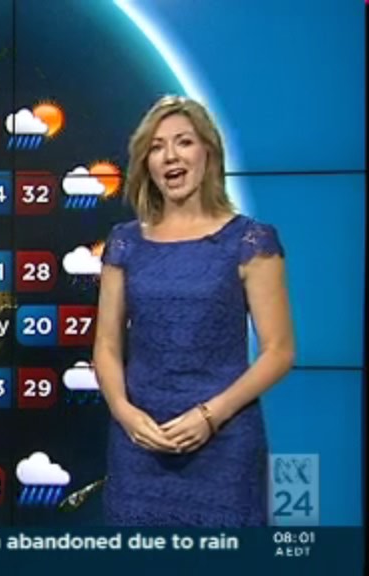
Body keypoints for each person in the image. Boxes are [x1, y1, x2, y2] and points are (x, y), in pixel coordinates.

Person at [94, 95, 295, 526]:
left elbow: (279, 351)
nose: (170, 156)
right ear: (146, 162)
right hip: (139, 442)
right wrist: (125, 413)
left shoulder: (249, 241)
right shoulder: (125, 242)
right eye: (156, 147)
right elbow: (106, 345)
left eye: (183, 142)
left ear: (209, 152)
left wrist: (210, 416)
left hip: (224, 440)